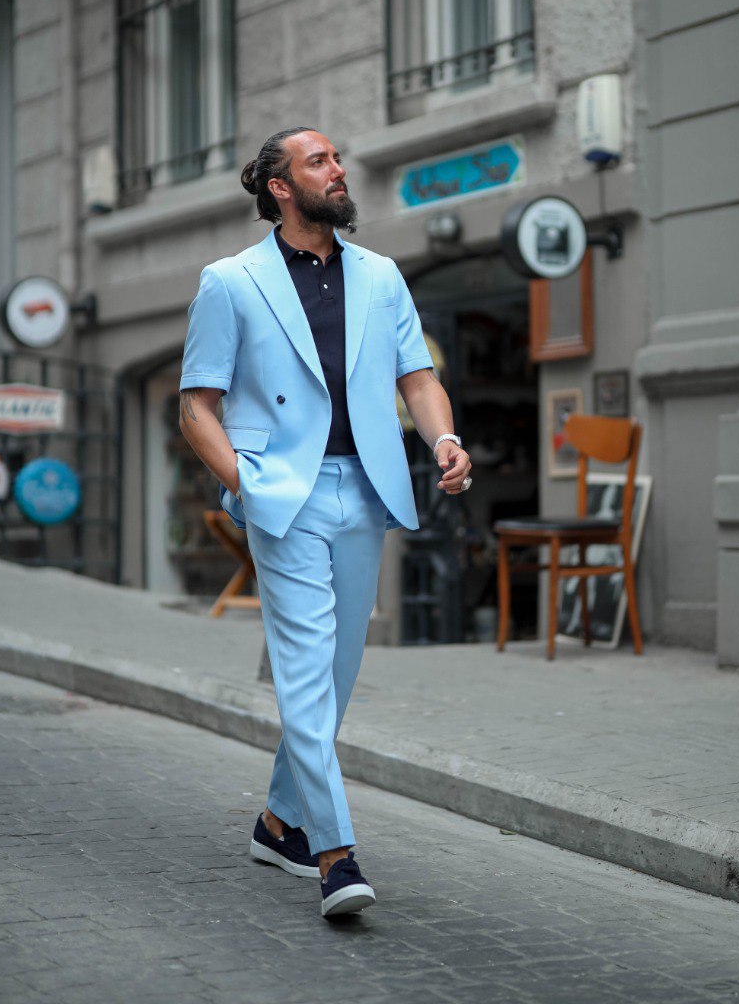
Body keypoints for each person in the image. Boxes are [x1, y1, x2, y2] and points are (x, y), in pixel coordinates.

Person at [178, 127, 472, 918]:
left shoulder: (379, 275)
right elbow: (196, 406)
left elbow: (417, 376)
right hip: (286, 494)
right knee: (307, 670)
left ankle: (278, 823)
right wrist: (251, 485)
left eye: (337, 160)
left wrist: (442, 437)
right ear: (279, 186)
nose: (338, 171)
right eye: (319, 162)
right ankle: (335, 855)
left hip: (365, 489)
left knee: (335, 674)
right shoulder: (231, 281)